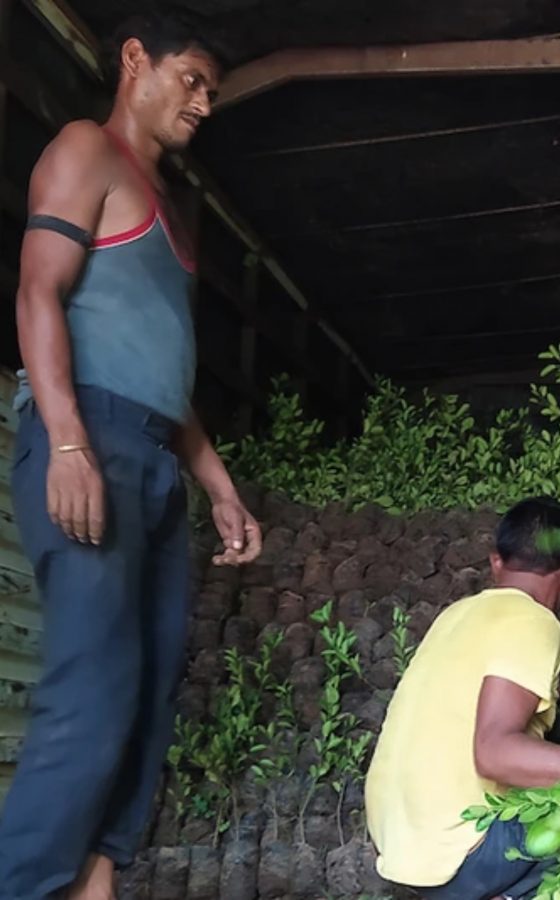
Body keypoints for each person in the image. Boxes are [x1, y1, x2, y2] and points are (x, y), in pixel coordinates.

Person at [0, 13, 262, 900]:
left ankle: (96, 879)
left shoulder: (170, 212)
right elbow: (39, 291)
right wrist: (67, 440)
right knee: (93, 687)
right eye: (191, 79)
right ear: (133, 62)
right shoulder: (87, 151)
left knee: (148, 692)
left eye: (212, 93)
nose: (203, 102)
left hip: (150, 450)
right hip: (91, 438)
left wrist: (219, 486)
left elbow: (163, 374)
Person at [366, 497, 560, 900]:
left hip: (397, 844)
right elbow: (495, 754)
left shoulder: (456, 614)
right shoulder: (537, 622)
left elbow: (478, 677)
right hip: (455, 857)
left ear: (496, 562)